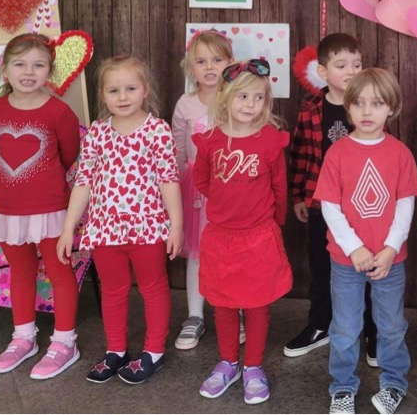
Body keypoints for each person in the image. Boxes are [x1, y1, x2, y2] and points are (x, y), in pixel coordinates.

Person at [57, 56, 181, 385]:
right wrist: (68, 229)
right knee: (113, 290)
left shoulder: (157, 130)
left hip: (148, 227)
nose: (122, 96)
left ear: (145, 90)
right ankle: (116, 350)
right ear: (103, 95)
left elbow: (169, 180)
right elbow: (83, 182)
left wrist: (176, 226)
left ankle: (154, 351)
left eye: (130, 88)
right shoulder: (97, 133)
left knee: (153, 288)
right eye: (113, 90)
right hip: (104, 229)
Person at [315, 68, 417, 415]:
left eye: (376, 103)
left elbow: (405, 205)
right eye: (358, 103)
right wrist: (354, 247)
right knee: (345, 327)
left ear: (392, 107)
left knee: (391, 326)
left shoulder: (400, 153)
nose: (367, 111)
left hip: (390, 260)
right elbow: (330, 207)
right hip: (346, 261)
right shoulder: (337, 153)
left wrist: (390, 249)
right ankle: (343, 387)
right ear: (348, 108)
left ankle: (393, 383)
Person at [0, 33, 82, 379]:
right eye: (20, 64)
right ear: (5, 69)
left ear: (49, 71)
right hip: (8, 209)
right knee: (20, 272)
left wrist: (41, 186)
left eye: (38, 65)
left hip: (51, 209)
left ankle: (65, 342)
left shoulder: (59, 112)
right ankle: (24, 337)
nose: (28, 72)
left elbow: (69, 155)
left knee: (59, 272)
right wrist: (13, 186)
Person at [193, 58, 293, 405]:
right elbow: (202, 180)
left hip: (259, 236)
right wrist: (228, 205)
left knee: (256, 304)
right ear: (225, 97)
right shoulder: (210, 140)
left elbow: (279, 187)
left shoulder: (270, 141)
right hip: (221, 237)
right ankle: (228, 363)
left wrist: (276, 222)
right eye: (243, 97)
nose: (251, 105)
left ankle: (253, 366)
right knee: (222, 303)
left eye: (259, 98)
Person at [285, 33, 378, 362]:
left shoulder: (368, 106)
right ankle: (320, 324)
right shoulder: (312, 108)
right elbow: (300, 154)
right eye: (341, 65)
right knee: (321, 266)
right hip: (320, 204)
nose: (351, 71)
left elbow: (381, 154)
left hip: (362, 207)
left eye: (357, 64)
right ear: (323, 72)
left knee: (367, 269)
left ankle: (372, 330)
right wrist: (298, 194)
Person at [172, 29, 234, 351]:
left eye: (217, 60)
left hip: (230, 188)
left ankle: (233, 311)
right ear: (190, 67)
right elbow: (178, 150)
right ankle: (195, 315)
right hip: (196, 191)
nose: (209, 67)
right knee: (196, 255)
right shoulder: (186, 104)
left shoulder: (235, 98)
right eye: (201, 61)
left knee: (229, 253)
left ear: (230, 63)